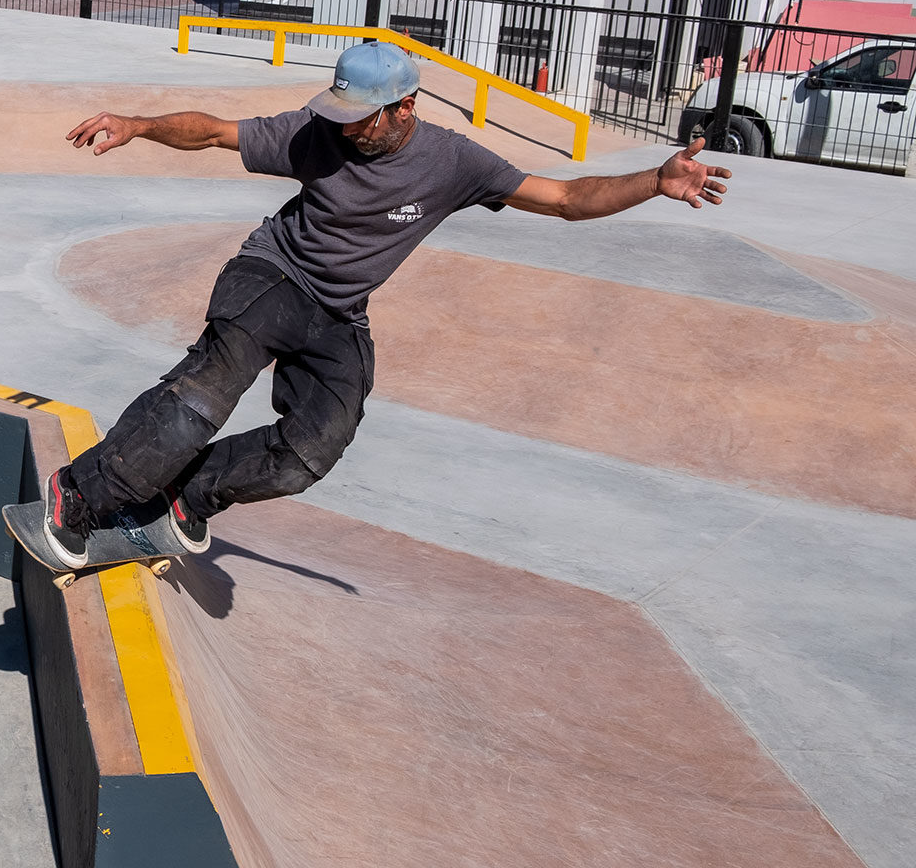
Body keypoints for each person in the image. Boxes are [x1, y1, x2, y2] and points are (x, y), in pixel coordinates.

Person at [40, 40, 730, 567]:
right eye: (339, 115)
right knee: (203, 398)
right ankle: (83, 493)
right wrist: (138, 123)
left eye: (361, 120)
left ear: (405, 108)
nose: (345, 130)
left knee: (310, 453)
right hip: (271, 275)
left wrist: (653, 182)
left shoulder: (455, 162)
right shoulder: (315, 133)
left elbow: (566, 200)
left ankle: (188, 493)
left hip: (339, 312)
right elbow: (218, 130)